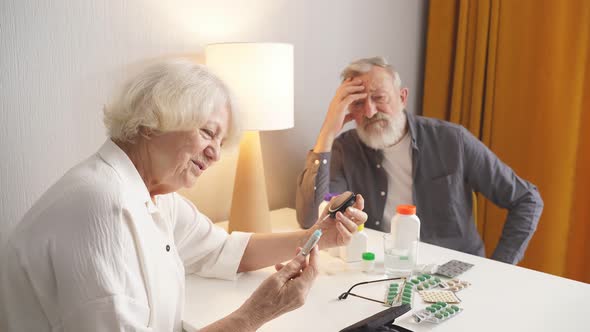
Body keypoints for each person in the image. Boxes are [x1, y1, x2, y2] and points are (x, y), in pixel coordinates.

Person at [0, 59, 368, 331]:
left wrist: (319, 235)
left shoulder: (152, 195)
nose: (214, 153)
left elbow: (223, 250)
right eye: (208, 133)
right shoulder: (103, 207)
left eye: (220, 142)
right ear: (152, 121)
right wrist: (255, 314)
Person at [296, 56, 543, 264]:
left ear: (402, 97)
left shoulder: (451, 140)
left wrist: (499, 267)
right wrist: (328, 131)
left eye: (379, 98)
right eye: (358, 103)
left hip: (452, 273)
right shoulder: (345, 149)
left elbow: (526, 199)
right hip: (383, 272)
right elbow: (311, 221)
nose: (370, 112)